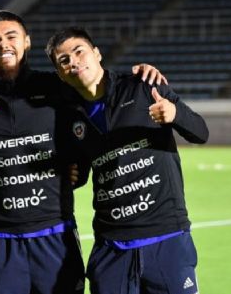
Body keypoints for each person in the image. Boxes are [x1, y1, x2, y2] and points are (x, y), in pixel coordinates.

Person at [0, 10, 165, 294]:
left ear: (26, 42)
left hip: (55, 234)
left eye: (11, 36)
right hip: (1, 237)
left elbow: (93, 108)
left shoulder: (57, 88)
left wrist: (141, 76)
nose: (3, 44)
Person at [45, 26, 209, 294]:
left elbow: (201, 132)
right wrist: (72, 175)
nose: (73, 61)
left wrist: (174, 113)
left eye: (79, 52)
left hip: (166, 237)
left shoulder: (143, 86)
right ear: (60, 74)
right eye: (64, 60)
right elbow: (85, 168)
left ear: (96, 54)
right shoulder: (68, 115)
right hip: (112, 246)